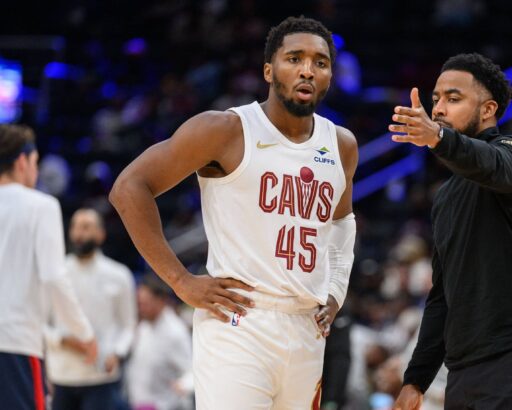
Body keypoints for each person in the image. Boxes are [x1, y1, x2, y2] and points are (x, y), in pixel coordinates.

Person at [109, 15, 358, 409]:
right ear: (268, 70)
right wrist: (180, 280)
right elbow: (129, 188)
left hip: (307, 327)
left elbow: (342, 220)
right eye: (294, 58)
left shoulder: (341, 144)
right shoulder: (225, 129)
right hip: (239, 322)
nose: (307, 70)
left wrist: (337, 288)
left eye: (320, 62)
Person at [388, 53, 512, 409]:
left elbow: (491, 164)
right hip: (466, 368)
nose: (439, 108)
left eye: (453, 99)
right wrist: (415, 380)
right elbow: (443, 297)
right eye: (436, 100)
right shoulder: (445, 198)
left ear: (488, 110)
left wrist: (438, 138)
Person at [0, 124, 96, 410]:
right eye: (36, 163)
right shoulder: (41, 206)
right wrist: (84, 333)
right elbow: (54, 277)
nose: (37, 171)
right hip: (15, 341)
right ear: (22, 161)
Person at [45, 208, 137, 410]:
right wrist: (62, 339)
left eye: (86, 227)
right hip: (62, 374)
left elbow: (129, 326)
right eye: (75, 227)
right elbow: (41, 323)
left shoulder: (119, 275)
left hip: (101, 375)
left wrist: (118, 353)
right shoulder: (55, 274)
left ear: (100, 234)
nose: (79, 234)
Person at [126, 274, 192, 410]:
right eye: (139, 304)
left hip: (167, 404)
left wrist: (184, 384)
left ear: (161, 300)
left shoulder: (175, 332)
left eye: (145, 304)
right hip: (141, 402)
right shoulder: (144, 326)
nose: (141, 308)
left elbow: (192, 369)